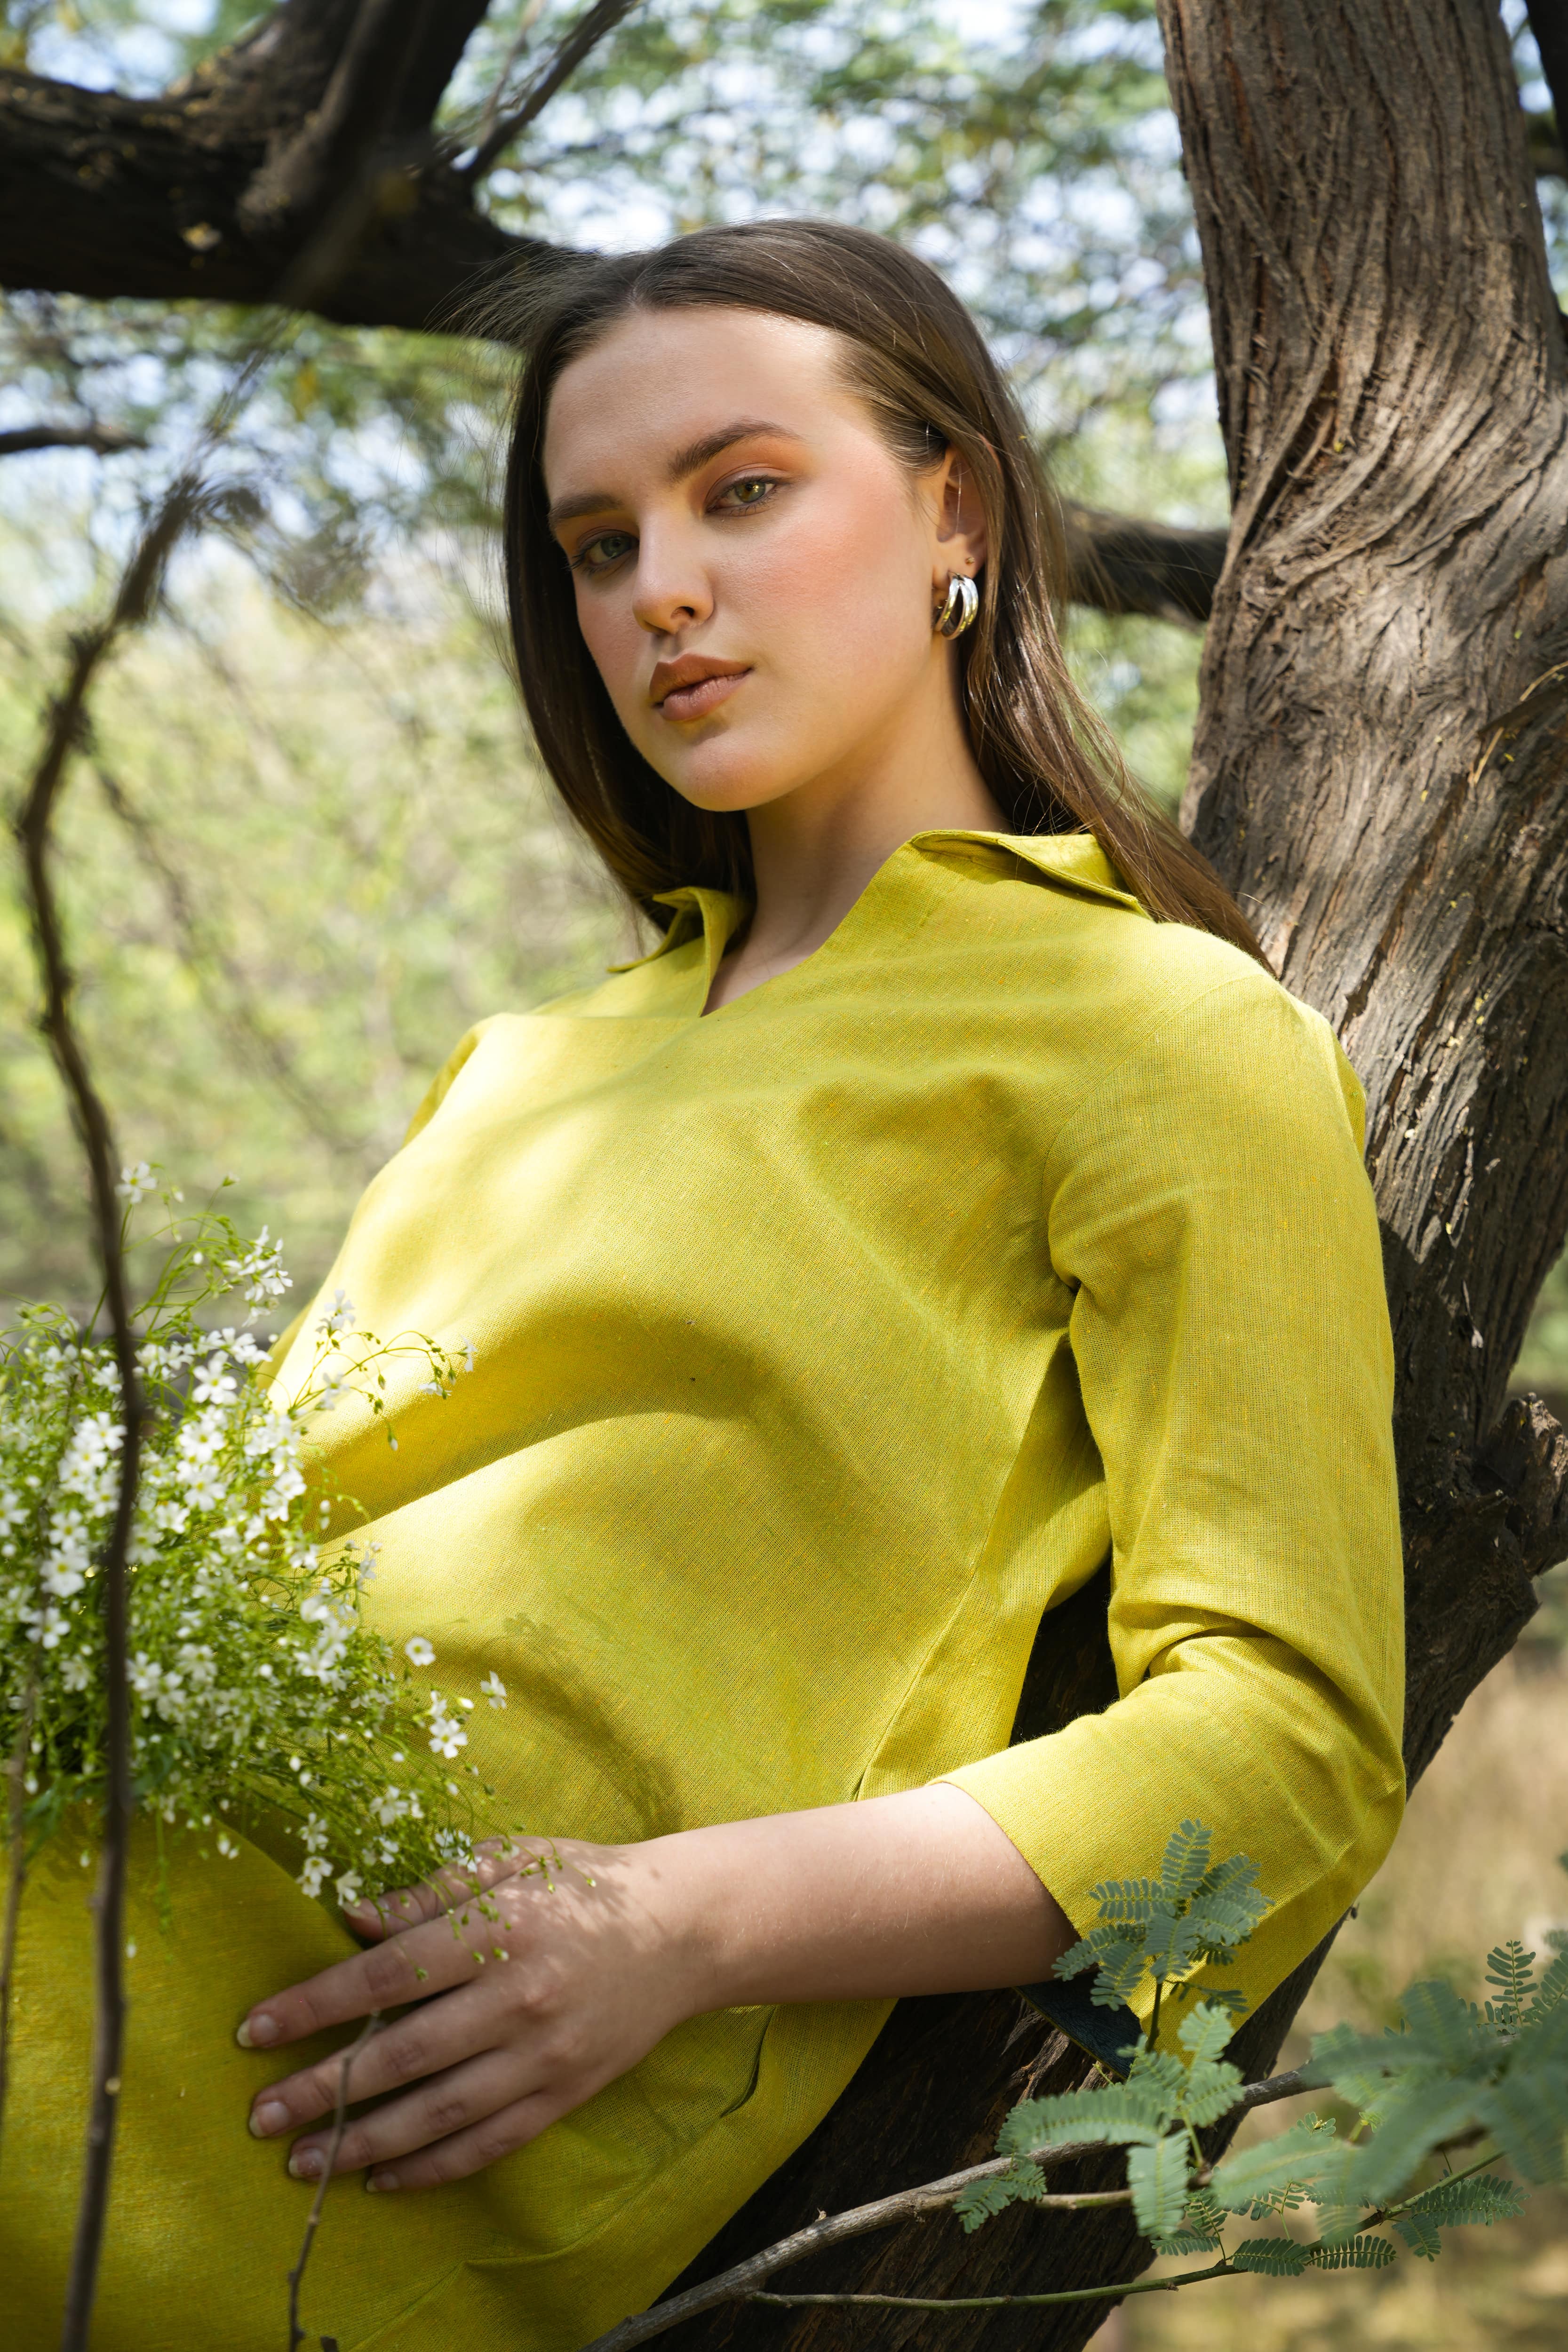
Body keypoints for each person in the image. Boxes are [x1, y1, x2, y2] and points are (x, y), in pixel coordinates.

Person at [7, 220, 1404, 2352]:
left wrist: (682, 1920)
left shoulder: (1157, 1030)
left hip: (336, 2131)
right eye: (593, 540)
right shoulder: (526, 1061)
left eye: (741, 491)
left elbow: (1291, 1734)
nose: (656, 585)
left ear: (957, 508)